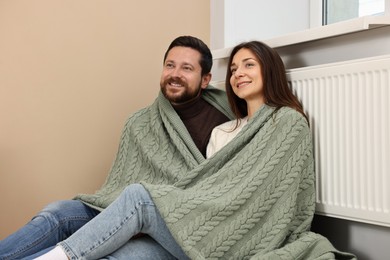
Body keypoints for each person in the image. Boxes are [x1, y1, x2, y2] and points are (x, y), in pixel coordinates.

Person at [32, 41, 356, 259]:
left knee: (139, 197)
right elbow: (207, 186)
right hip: (192, 222)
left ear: (269, 70)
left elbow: (272, 193)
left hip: (226, 230)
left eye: (249, 65)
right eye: (234, 69)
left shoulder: (288, 122)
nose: (239, 73)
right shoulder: (224, 130)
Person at [0, 35, 233, 260]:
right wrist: (127, 219)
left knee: (113, 254)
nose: (175, 74)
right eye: (170, 65)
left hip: (178, 227)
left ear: (205, 79)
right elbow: (117, 187)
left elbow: (216, 190)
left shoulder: (227, 121)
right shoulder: (140, 122)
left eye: (186, 68)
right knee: (58, 213)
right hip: (128, 210)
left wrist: (145, 215)